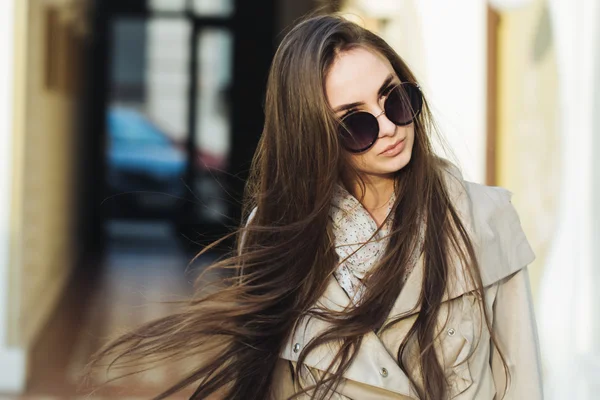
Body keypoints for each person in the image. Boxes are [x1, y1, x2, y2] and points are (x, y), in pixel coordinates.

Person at [85, 13, 543, 400]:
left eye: (396, 98)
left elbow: (521, 380)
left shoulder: (486, 217)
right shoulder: (274, 232)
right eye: (356, 122)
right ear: (314, 136)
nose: (387, 127)